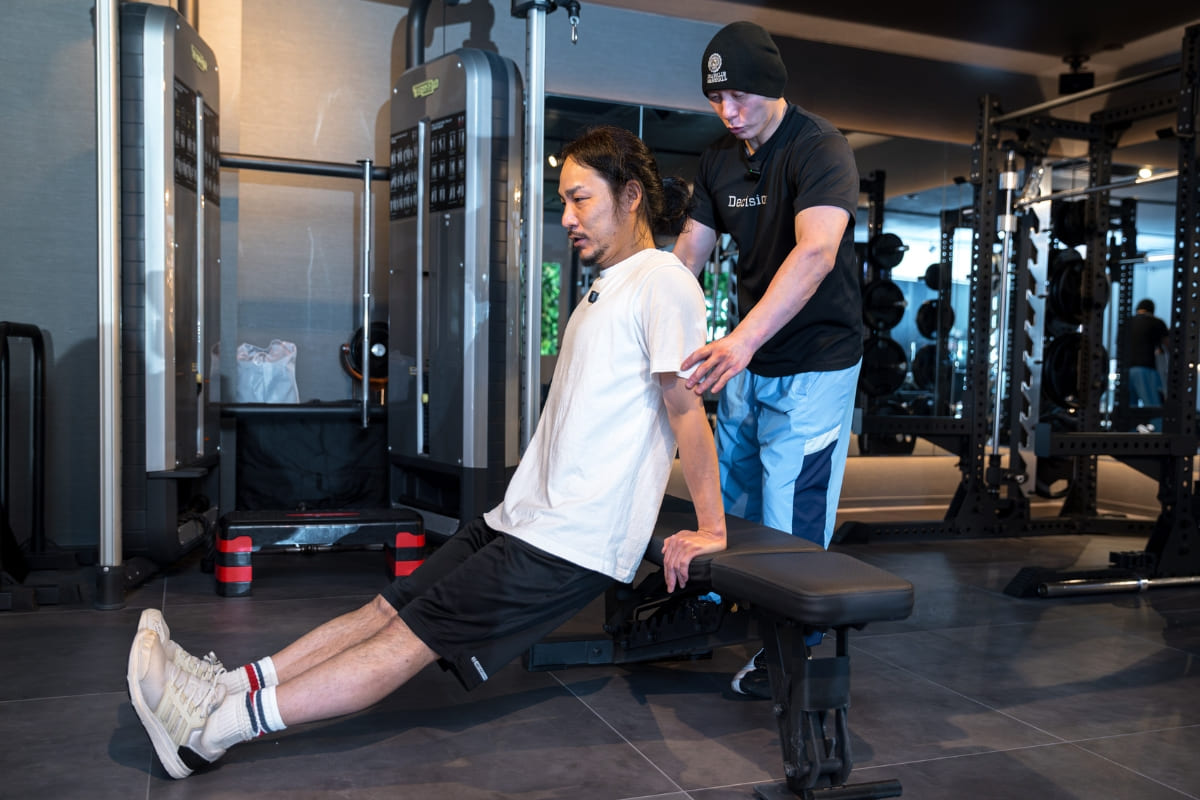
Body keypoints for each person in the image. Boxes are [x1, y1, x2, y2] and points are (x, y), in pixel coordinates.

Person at [126, 125, 727, 780]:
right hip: (524, 517)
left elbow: (685, 410)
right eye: (563, 201)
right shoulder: (607, 285)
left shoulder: (664, 282)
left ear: (631, 196)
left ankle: (209, 732)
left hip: (571, 539)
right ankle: (224, 687)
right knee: (386, 610)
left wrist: (712, 527)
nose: (566, 218)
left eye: (580, 199)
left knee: (405, 641)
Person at [671, 21, 862, 697]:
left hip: (816, 358)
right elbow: (687, 257)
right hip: (748, 357)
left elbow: (816, 251)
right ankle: (727, 610)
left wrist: (742, 340)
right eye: (715, 99)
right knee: (734, 496)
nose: (727, 111)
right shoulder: (718, 160)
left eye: (739, 96)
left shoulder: (820, 147)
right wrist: (648, 327)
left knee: (790, 512)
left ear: (772, 87)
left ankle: (793, 653)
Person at [1127, 298, 1168, 432]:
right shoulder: (1156, 322)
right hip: (1146, 369)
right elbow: (1168, 344)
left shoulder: (1127, 322)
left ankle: (1128, 437)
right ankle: (1158, 437)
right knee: (1153, 407)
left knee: (1128, 409)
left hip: (1126, 370)